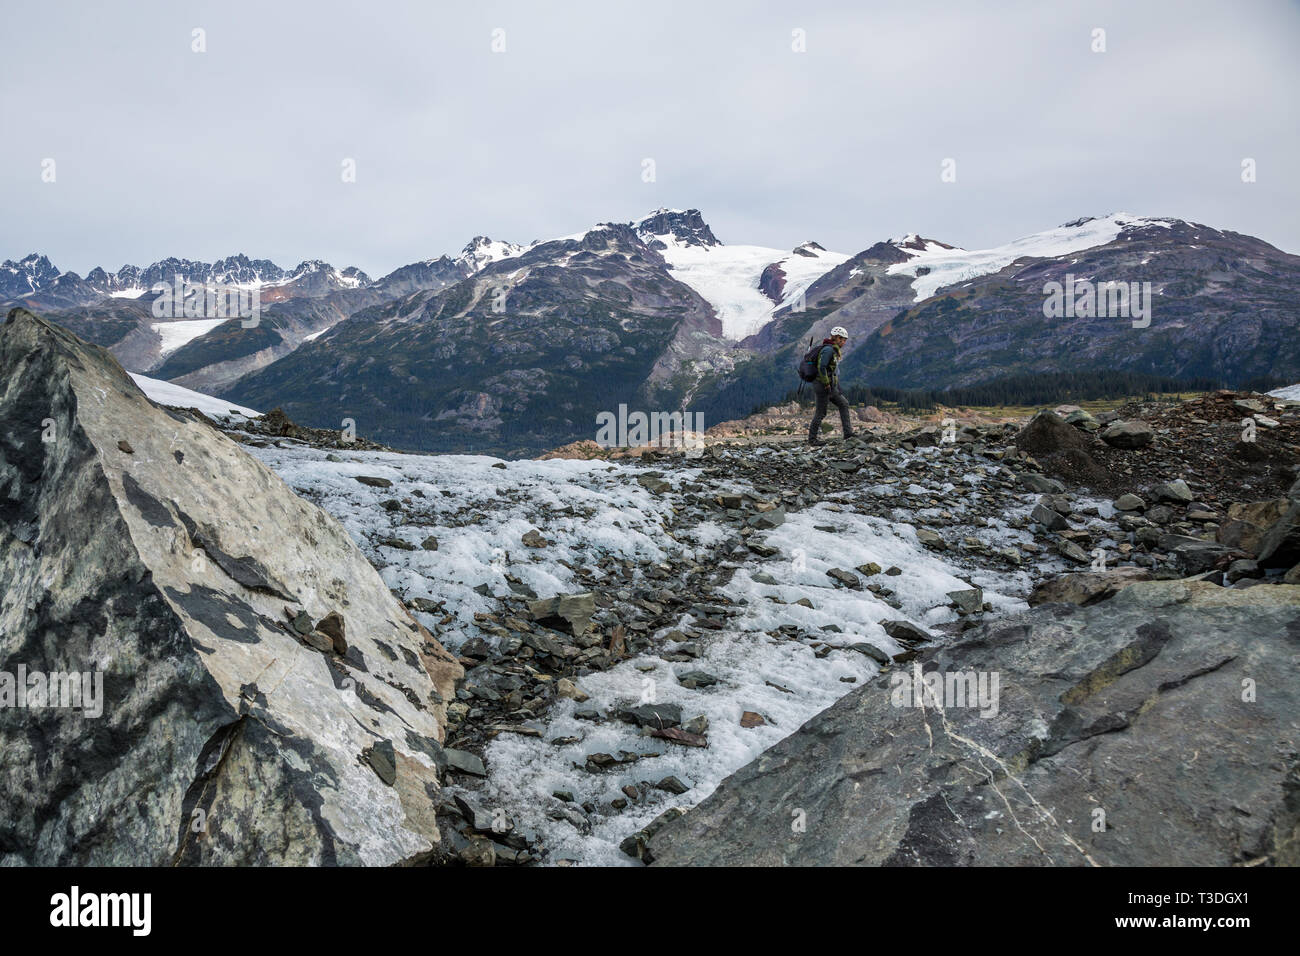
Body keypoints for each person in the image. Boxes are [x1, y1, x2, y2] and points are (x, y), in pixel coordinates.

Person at [808, 326, 855, 446]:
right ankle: (812, 439)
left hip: (830, 386)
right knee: (821, 412)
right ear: (837, 338)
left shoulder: (833, 350)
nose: (844, 342)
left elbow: (832, 370)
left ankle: (848, 434)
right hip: (823, 385)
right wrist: (827, 384)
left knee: (843, 404)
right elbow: (821, 367)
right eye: (843, 340)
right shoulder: (828, 350)